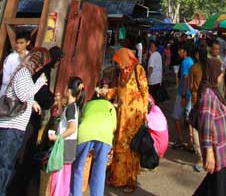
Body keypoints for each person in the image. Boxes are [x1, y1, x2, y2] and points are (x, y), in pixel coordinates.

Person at [0, 49, 48, 196]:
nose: (40, 70)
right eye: (40, 66)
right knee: (3, 164)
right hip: (11, 126)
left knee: (7, 164)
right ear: (36, 64)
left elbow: (23, 94)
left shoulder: (24, 74)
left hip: (15, 126)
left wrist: (33, 102)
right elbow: (23, 94)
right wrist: (39, 83)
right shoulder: (23, 73)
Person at [103, 47, 148, 193]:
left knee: (132, 149)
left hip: (134, 117)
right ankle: (118, 179)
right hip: (122, 117)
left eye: (119, 61)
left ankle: (131, 181)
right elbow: (119, 90)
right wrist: (107, 92)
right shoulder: (123, 73)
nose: (118, 65)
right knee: (120, 147)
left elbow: (145, 91)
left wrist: (144, 113)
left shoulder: (138, 70)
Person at [193, 58, 226, 196]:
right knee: (219, 189)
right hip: (216, 151)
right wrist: (209, 153)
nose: (222, 76)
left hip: (221, 150)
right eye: (220, 73)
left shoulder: (214, 90)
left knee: (211, 184)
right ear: (213, 73)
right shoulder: (208, 95)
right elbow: (205, 127)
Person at [70, 83, 117, 196]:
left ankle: (75, 194)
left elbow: (80, 121)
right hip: (105, 135)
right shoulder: (110, 107)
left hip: (85, 132)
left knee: (78, 167)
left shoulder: (87, 104)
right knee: (99, 169)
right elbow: (114, 127)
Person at [48, 76, 85, 196]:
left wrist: (57, 137)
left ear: (69, 90)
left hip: (64, 147)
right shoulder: (73, 107)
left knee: (58, 179)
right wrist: (59, 104)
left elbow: (72, 128)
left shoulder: (70, 108)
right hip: (69, 147)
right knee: (64, 178)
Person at [0, 30, 31, 103]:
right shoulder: (11, 58)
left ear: (28, 42)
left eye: (21, 43)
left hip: (23, 95)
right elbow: (6, 79)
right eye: (17, 43)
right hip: (8, 95)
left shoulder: (31, 57)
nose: (18, 45)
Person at [172, 43, 194, 150]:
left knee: (176, 117)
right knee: (189, 118)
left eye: (180, 50)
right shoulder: (191, 61)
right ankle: (191, 142)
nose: (178, 53)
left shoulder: (185, 62)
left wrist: (183, 95)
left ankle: (181, 140)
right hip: (190, 93)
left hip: (184, 93)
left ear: (184, 51)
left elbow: (185, 78)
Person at [190, 46, 208, 172]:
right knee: (207, 128)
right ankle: (208, 155)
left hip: (196, 100)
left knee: (196, 128)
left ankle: (200, 158)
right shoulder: (210, 67)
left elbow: (191, 86)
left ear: (197, 55)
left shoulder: (194, 68)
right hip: (208, 101)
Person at [147, 95, 169, 159]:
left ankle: (148, 160)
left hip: (157, 149)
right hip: (163, 147)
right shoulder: (157, 109)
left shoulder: (149, 116)